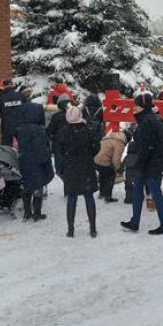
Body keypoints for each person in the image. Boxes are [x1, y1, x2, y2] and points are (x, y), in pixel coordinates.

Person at [121, 93, 163, 235]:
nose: (134, 109)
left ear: (143, 107)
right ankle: (135, 222)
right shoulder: (153, 119)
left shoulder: (147, 123)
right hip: (152, 162)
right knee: (138, 189)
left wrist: (139, 164)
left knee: (155, 194)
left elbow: (145, 148)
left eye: (136, 106)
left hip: (151, 164)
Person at [59, 105, 100, 238]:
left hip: (71, 167)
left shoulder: (63, 132)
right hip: (86, 166)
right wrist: (88, 155)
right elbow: (96, 147)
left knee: (72, 198)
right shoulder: (87, 131)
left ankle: (70, 229)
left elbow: (59, 150)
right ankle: (93, 228)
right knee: (89, 196)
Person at [17, 101, 54, 222]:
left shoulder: (20, 128)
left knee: (27, 186)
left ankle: (27, 212)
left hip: (24, 160)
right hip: (37, 162)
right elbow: (41, 148)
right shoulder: (39, 129)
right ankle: (37, 213)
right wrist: (46, 162)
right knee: (38, 186)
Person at [94, 127, 129, 202]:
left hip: (96, 159)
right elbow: (116, 159)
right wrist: (118, 169)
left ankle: (102, 193)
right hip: (104, 161)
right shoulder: (119, 142)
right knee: (111, 175)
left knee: (103, 175)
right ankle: (108, 196)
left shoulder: (110, 136)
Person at [0, 78, 26, 146]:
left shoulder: (0, 98)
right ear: (12, 86)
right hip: (21, 126)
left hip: (7, 128)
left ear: (3, 87)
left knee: (7, 147)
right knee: (23, 146)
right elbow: (28, 109)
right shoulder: (21, 96)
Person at [46, 94, 71, 176]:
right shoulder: (73, 115)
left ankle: (62, 175)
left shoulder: (56, 117)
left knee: (59, 165)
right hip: (71, 143)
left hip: (58, 143)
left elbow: (50, 130)